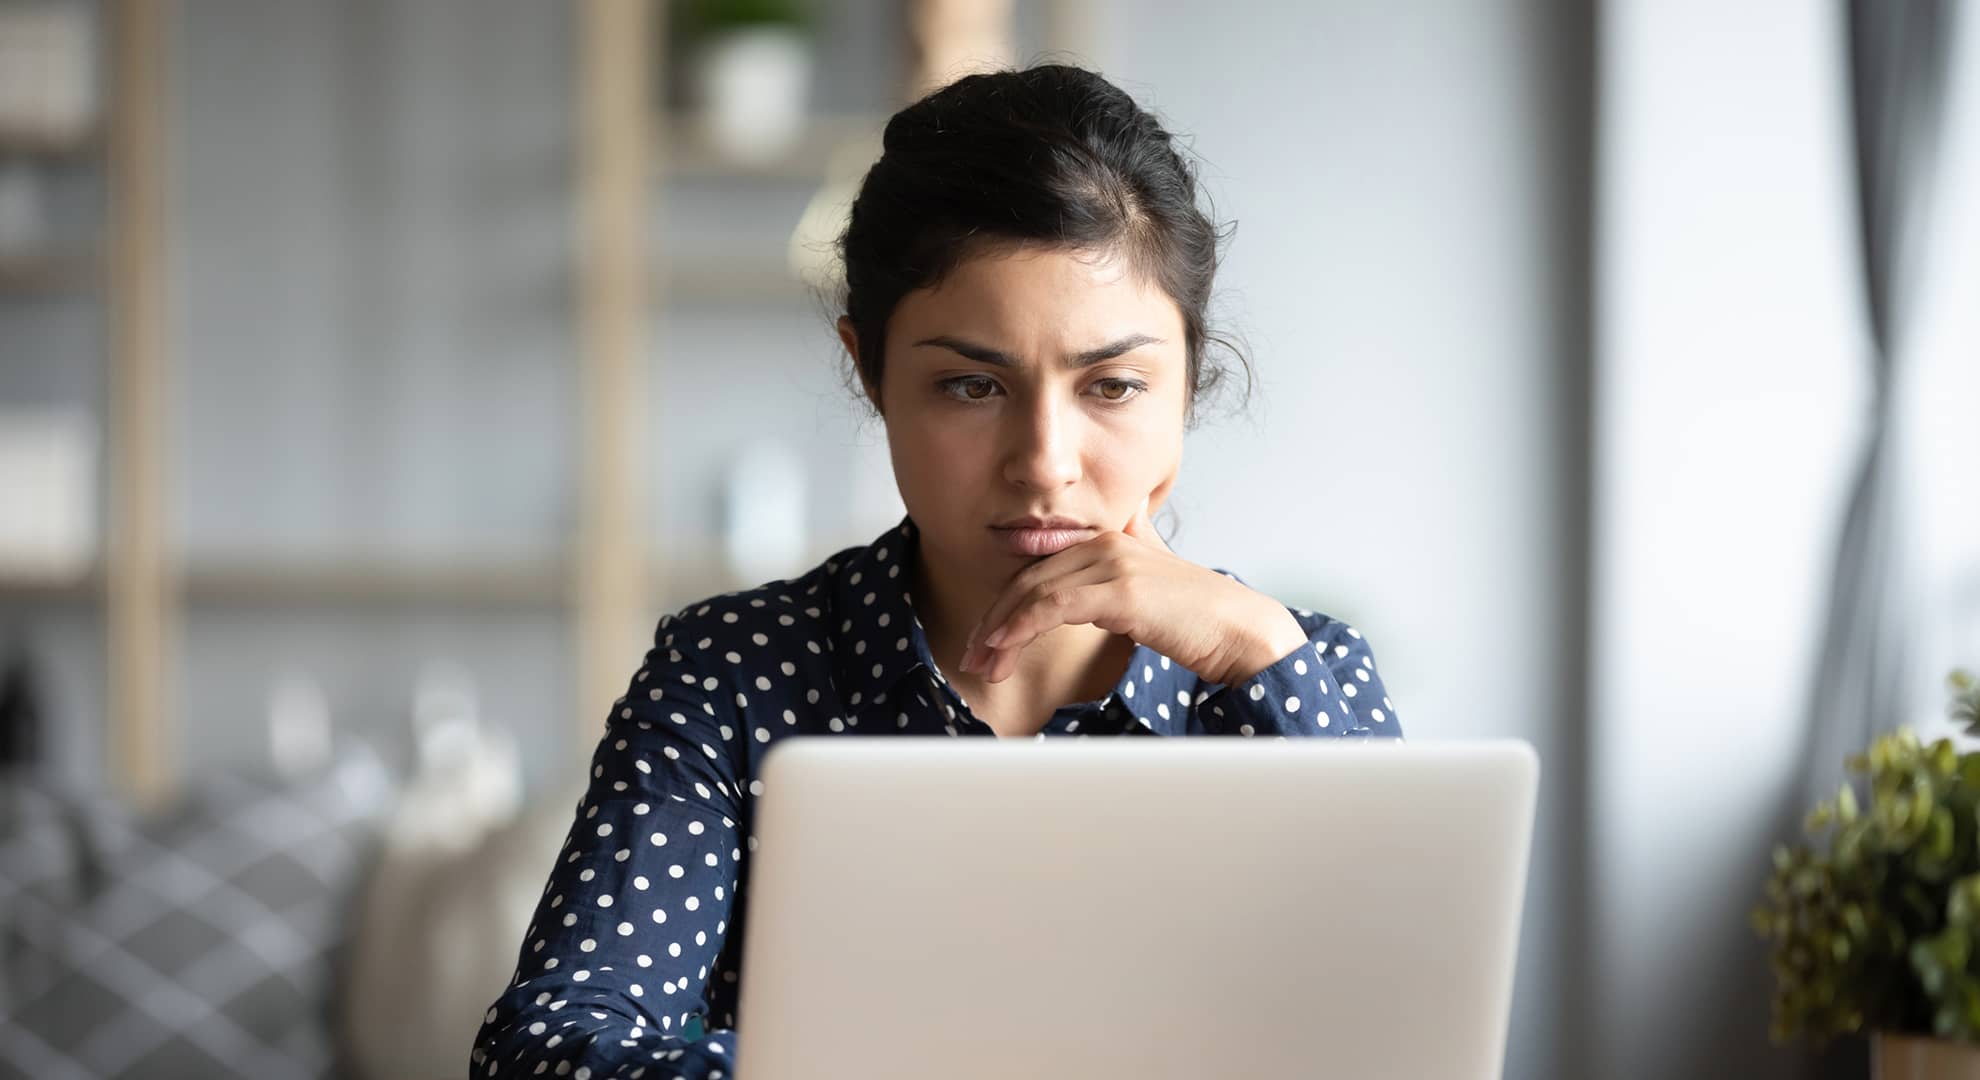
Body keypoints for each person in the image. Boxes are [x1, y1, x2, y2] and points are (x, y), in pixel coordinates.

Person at [470, 62, 1401, 1079]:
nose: (1044, 461)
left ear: (1187, 382)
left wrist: (1260, 653)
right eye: (970, 385)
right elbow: (550, 1052)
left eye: (1114, 385)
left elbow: (1407, 1037)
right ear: (870, 372)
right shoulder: (734, 675)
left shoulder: (1295, 672)